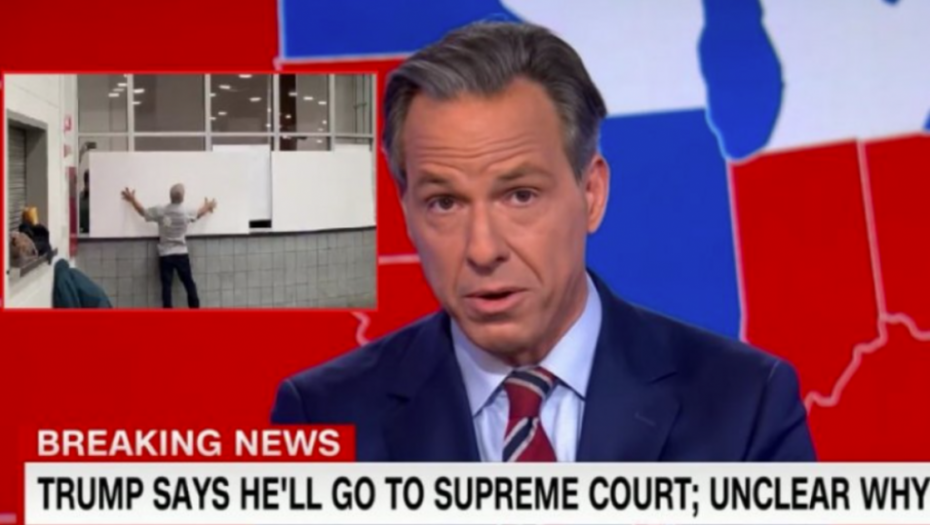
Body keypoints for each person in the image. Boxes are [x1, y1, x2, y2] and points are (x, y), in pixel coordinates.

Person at [270, 21, 817, 461]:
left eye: (520, 196)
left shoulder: (745, 405)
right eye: (445, 203)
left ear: (591, 193)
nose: (483, 250)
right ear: (405, 210)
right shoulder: (323, 418)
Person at [121, 184, 217, 309]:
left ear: (170, 196)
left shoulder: (161, 210)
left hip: (165, 255)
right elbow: (199, 213)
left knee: (167, 287)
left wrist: (132, 199)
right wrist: (208, 206)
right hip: (181, 254)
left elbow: (143, 212)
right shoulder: (186, 211)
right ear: (183, 197)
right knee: (189, 283)